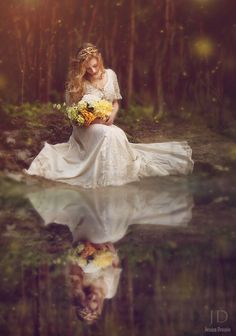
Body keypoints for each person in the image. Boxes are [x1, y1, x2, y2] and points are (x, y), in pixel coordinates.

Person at [24, 42, 194, 188]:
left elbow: (116, 102)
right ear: (81, 68)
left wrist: (112, 116)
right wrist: (93, 119)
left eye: (94, 65)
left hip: (107, 122)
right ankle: (104, 178)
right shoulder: (77, 83)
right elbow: (73, 116)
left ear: (99, 60)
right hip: (86, 128)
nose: (92, 70)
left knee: (116, 133)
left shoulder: (111, 74)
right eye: (87, 68)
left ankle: (117, 174)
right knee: (107, 134)